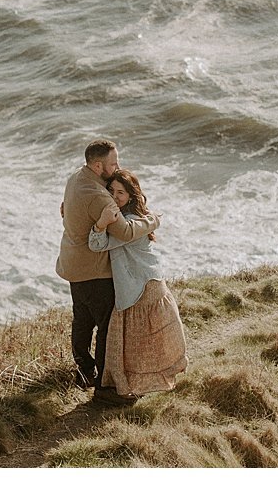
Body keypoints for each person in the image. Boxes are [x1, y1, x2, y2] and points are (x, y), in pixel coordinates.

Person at [55, 139, 159, 396]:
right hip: (94, 270)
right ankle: (103, 384)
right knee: (105, 326)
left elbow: (66, 209)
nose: (117, 167)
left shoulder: (76, 178)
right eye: (113, 164)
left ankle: (83, 371)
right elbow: (124, 232)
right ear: (98, 165)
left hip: (72, 265)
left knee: (81, 320)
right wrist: (152, 221)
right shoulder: (100, 197)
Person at [89, 168, 189, 399]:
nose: (114, 196)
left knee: (138, 344)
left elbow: (96, 244)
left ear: (132, 196)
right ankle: (130, 387)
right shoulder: (134, 217)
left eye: (120, 193)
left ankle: (127, 388)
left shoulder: (127, 223)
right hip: (146, 282)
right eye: (111, 191)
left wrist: (101, 224)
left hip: (141, 287)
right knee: (141, 343)